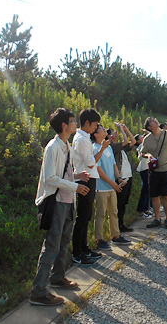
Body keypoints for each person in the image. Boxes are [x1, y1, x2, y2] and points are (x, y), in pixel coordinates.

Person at [30, 108, 90, 306]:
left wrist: (77, 177)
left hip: (67, 200)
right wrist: (75, 185)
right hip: (56, 202)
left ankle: (58, 277)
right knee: (52, 245)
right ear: (64, 125)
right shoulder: (53, 147)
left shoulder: (66, 146)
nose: (75, 124)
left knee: (64, 242)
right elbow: (50, 178)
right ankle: (38, 291)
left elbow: (63, 173)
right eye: (72, 121)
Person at [71, 108, 110, 266]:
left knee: (86, 216)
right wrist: (102, 149)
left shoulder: (84, 137)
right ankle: (77, 252)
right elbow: (91, 162)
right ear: (87, 123)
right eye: (94, 124)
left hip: (89, 178)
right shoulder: (81, 139)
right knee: (82, 217)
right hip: (84, 179)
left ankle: (84, 248)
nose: (96, 127)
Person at [92, 124, 131, 251]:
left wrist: (118, 178)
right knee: (101, 214)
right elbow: (98, 170)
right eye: (102, 129)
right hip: (101, 187)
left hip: (111, 187)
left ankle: (116, 235)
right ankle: (99, 239)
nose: (105, 130)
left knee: (114, 212)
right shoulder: (95, 149)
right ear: (96, 134)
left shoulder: (108, 147)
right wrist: (112, 183)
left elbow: (114, 165)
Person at [141, 117, 167, 229]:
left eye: (155, 119)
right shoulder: (147, 139)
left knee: (166, 195)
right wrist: (148, 155)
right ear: (149, 127)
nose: (156, 121)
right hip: (154, 171)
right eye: (153, 121)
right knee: (154, 196)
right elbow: (142, 153)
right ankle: (157, 218)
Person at [108, 123, 136, 232]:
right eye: (114, 132)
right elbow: (126, 141)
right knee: (119, 204)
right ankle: (117, 227)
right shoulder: (112, 147)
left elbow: (132, 141)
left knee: (123, 203)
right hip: (121, 179)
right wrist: (121, 129)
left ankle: (121, 225)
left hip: (128, 177)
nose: (116, 132)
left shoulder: (122, 147)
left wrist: (126, 128)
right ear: (110, 136)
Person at [134, 134, 152, 218]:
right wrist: (148, 156)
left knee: (147, 189)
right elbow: (142, 154)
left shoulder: (144, 144)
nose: (142, 136)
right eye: (140, 137)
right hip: (144, 168)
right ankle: (141, 211)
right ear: (138, 141)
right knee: (145, 190)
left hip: (147, 168)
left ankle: (146, 209)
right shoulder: (142, 145)